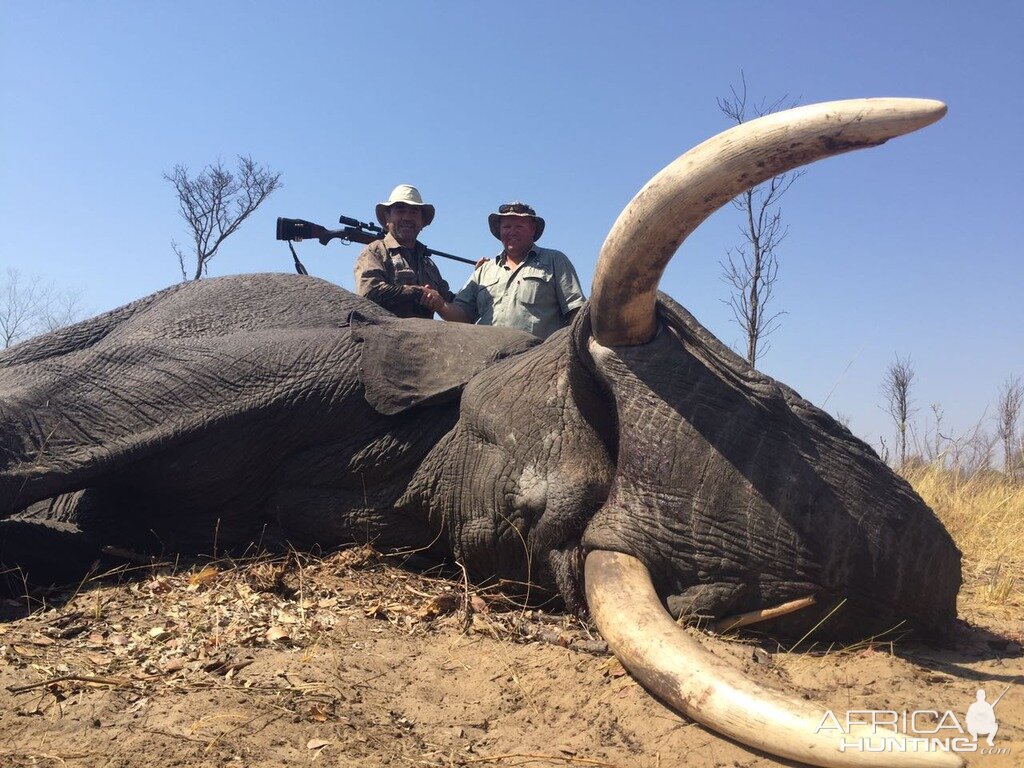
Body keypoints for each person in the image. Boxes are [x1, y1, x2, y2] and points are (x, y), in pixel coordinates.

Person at [422, 202, 585, 340]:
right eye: (506, 226)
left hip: (537, 364)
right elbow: (463, 316)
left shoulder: (555, 260)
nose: (512, 231)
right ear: (499, 231)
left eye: (519, 226)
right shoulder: (484, 270)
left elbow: (576, 312)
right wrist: (440, 305)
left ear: (533, 229)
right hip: (487, 361)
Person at [354, 184, 454, 319]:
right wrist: (418, 292)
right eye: (400, 210)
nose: (407, 218)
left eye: (414, 212)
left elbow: (453, 303)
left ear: (422, 221)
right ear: (387, 217)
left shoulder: (429, 265)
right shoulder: (375, 251)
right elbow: (369, 293)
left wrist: (482, 273)